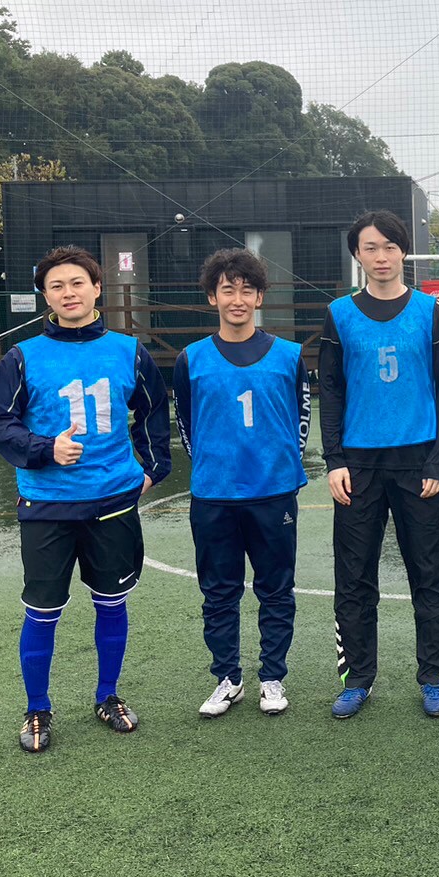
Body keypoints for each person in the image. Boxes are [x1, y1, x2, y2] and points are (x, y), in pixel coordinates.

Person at [0, 245, 170, 753]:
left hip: (112, 503)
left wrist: (153, 469)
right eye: (57, 286)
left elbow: (154, 409)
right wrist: (44, 449)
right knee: (43, 610)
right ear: (46, 296)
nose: (69, 293)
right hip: (47, 505)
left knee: (111, 602)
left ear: (97, 288)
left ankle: (107, 696)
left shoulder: (129, 351)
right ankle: (37, 707)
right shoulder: (23, 357)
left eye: (77, 283)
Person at [319, 210, 439, 719]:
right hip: (358, 466)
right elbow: (330, 389)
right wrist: (334, 459)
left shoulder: (429, 311)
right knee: (354, 578)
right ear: (357, 254)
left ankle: (433, 677)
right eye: (370, 248)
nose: (381, 257)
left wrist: (437, 464)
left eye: (390, 247)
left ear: (403, 252)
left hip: (418, 463)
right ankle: (357, 679)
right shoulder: (339, 313)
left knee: (430, 574)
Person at [174, 248, 311, 719]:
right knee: (219, 592)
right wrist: (213, 466)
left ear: (260, 297)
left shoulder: (290, 356)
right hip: (214, 495)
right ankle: (228, 679)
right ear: (212, 297)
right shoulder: (191, 359)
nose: (237, 299)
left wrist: (279, 465)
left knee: (276, 589)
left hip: (274, 493)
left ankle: (272, 676)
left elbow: (301, 419)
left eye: (246, 290)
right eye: (227, 290)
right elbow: (187, 424)